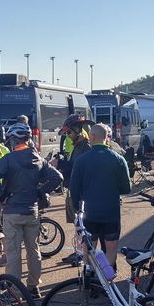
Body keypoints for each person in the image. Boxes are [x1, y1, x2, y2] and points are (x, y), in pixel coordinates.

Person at [0, 123, 63, 298]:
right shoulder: (37, 158)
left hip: (12, 210)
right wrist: (39, 192)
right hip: (32, 211)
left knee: (13, 253)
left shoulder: (8, 159)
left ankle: (15, 291)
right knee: (33, 250)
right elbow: (57, 177)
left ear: (13, 140)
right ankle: (33, 286)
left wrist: (1, 195)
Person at [69, 123, 131, 274]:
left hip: (89, 212)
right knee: (111, 248)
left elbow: (74, 189)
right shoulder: (118, 159)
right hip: (111, 211)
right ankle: (107, 279)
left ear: (92, 137)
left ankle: (91, 278)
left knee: (89, 248)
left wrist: (77, 209)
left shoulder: (81, 160)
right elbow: (126, 188)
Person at [56, 113, 94, 265]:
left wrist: (61, 164)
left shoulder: (85, 147)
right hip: (74, 189)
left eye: (69, 132)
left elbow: (80, 167)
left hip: (82, 192)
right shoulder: (78, 145)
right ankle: (79, 252)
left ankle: (82, 255)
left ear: (77, 130)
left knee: (81, 224)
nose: (68, 136)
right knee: (77, 224)